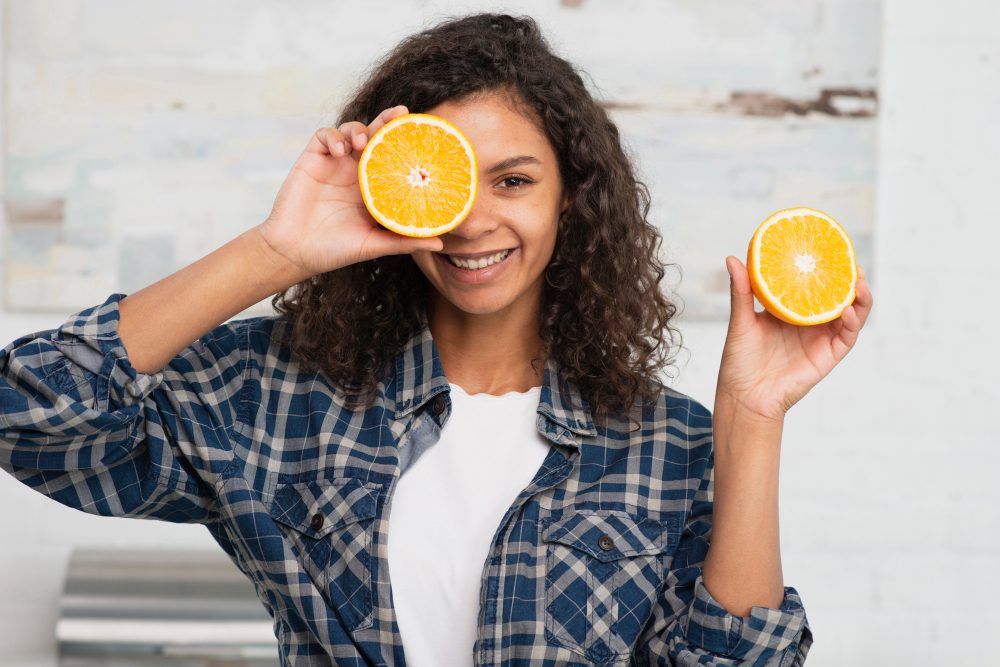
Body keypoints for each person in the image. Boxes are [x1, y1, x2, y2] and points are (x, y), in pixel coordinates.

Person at [0, 12, 872, 667]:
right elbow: (31, 412)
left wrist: (752, 416)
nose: (473, 222)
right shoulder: (280, 396)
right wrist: (273, 251)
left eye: (515, 180)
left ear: (570, 198)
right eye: (445, 181)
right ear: (399, 189)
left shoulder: (668, 444)